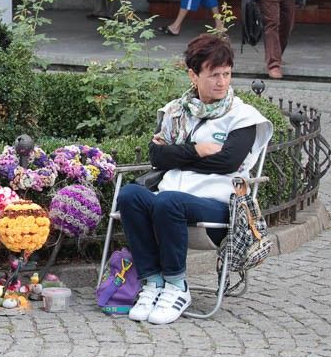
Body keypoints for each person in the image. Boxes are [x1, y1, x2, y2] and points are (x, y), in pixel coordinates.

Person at [117, 34, 273, 325]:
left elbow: (228, 162)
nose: (222, 82)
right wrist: (197, 150)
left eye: (227, 74)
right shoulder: (176, 111)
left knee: (168, 201)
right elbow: (156, 156)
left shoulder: (243, 117)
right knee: (129, 195)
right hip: (169, 200)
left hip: (218, 205)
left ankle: (177, 286)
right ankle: (153, 281)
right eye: (214, 75)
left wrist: (176, 155)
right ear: (193, 75)